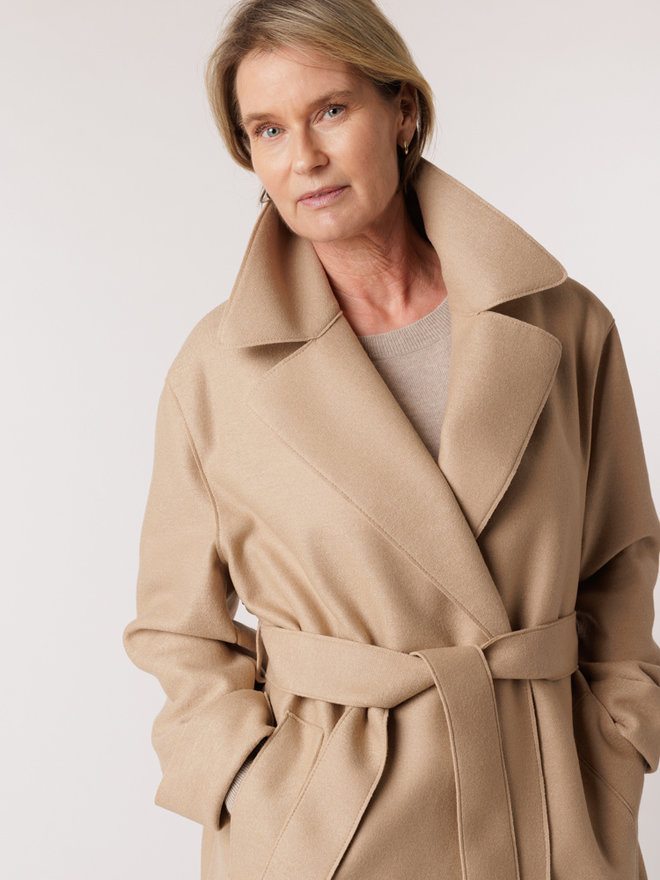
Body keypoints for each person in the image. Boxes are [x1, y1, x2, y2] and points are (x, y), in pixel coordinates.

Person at [122, 1, 660, 878]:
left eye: (331, 110)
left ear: (402, 110)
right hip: (327, 830)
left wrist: (616, 748)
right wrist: (248, 780)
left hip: (549, 807)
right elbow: (177, 627)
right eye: (268, 129)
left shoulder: (563, 325)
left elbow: (621, 564)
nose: (304, 157)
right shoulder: (217, 369)